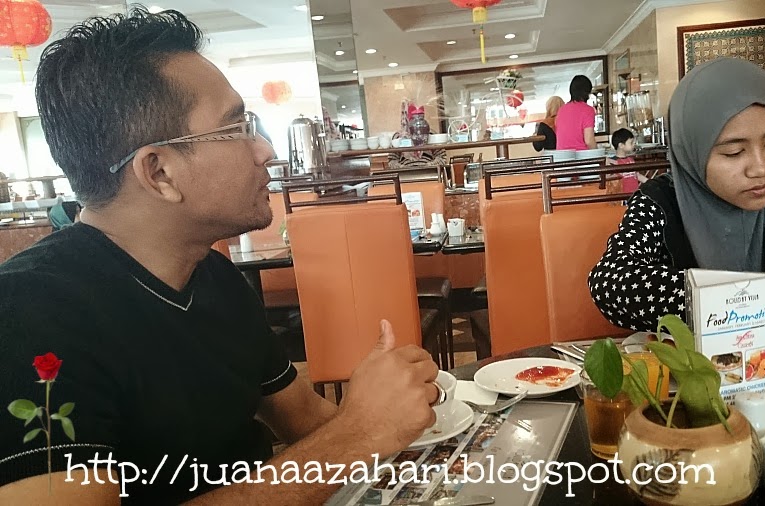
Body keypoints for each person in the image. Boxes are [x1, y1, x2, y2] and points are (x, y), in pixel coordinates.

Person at [0, 8, 440, 504]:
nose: (265, 151)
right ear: (159, 172)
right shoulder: (27, 317)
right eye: (236, 128)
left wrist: (380, 410)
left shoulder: (215, 277)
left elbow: (306, 421)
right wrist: (357, 434)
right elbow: (340, 441)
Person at [588, 58, 765, 342]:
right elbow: (610, 282)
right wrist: (752, 300)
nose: (760, 169)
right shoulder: (660, 201)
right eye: (734, 152)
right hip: (689, 369)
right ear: (691, 149)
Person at [554, 75, 596, 151]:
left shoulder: (561, 110)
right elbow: (589, 140)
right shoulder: (588, 110)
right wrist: (598, 153)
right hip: (581, 155)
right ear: (587, 91)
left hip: (562, 155)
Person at [607, 128, 647, 194]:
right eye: (631, 142)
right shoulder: (612, 162)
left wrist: (649, 182)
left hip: (634, 193)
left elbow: (636, 175)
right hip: (621, 195)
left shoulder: (631, 159)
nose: (634, 144)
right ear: (621, 145)